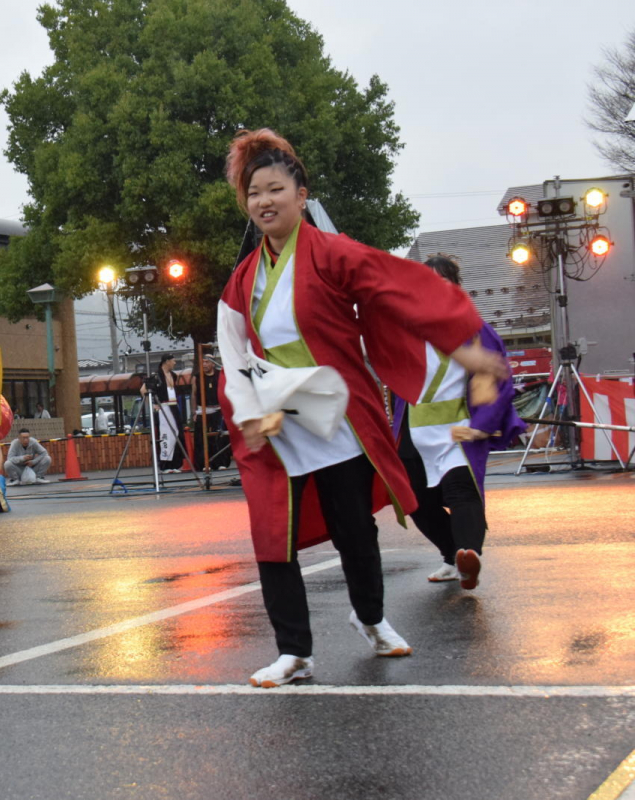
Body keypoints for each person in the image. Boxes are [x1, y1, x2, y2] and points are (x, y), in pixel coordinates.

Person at [215, 129, 506, 688]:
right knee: (272, 534)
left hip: (337, 414)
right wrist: (248, 409)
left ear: (302, 196)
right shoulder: (244, 278)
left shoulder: (333, 253)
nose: (264, 201)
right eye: (254, 193)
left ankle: (371, 618)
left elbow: (398, 289)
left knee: (354, 530)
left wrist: (460, 338)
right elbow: (231, 346)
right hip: (275, 418)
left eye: (275, 189)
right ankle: (294, 652)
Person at [394, 255, 526, 590]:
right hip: (413, 432)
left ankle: (469, 556)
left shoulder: (475, 330)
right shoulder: (405, 330)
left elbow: (496, 378)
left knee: (461, 491)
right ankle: (452, 556)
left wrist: (483, 423)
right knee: (416, 502)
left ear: (456, 288)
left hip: (458, 430)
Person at [142, 354, 185, 472]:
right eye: (173, 361)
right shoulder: (156, 376)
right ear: (166, 361)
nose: (174, 363)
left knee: (176, 433)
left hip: (173, 406)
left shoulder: (173, 375)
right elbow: (143, 390)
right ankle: (165, 464)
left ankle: (175, 463)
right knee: (165, 435)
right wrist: (152, 404)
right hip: (163, 406)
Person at [192, 354, 232, 472]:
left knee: (220, 437)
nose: (204, 364)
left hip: (218, 410)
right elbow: (193, 394)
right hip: (203, 410)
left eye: (207, 362)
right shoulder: (197, 377)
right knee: (202, 439)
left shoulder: (220, 375)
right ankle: (204, 463)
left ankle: (221, 463)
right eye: (203, 362)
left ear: (213, 363)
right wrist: (194, 412)